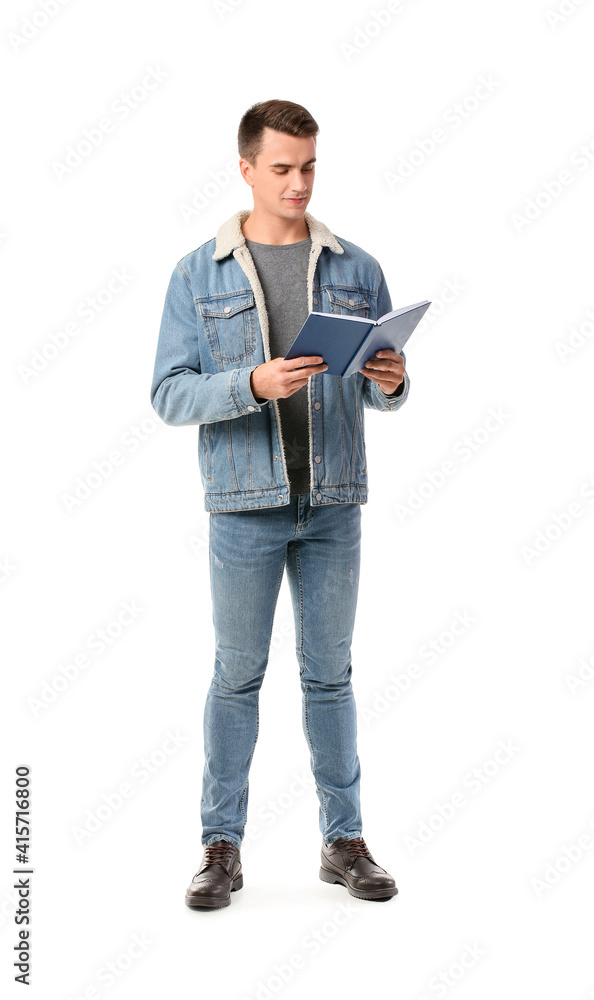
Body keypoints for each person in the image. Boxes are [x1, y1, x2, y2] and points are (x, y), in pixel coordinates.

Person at [150, 99, 410, 909]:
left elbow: (384, 387)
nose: (298, 183)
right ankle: (220, 848)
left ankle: (344, 842)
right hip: (244, 508)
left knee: (330, 677)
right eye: (282, 168)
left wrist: (394, 383)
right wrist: (250, 384)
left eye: (309, 167)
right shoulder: (200, 273)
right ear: (245, 169)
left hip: (333, 505)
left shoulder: (356, 268)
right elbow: (167, 394)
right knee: (237, 676)